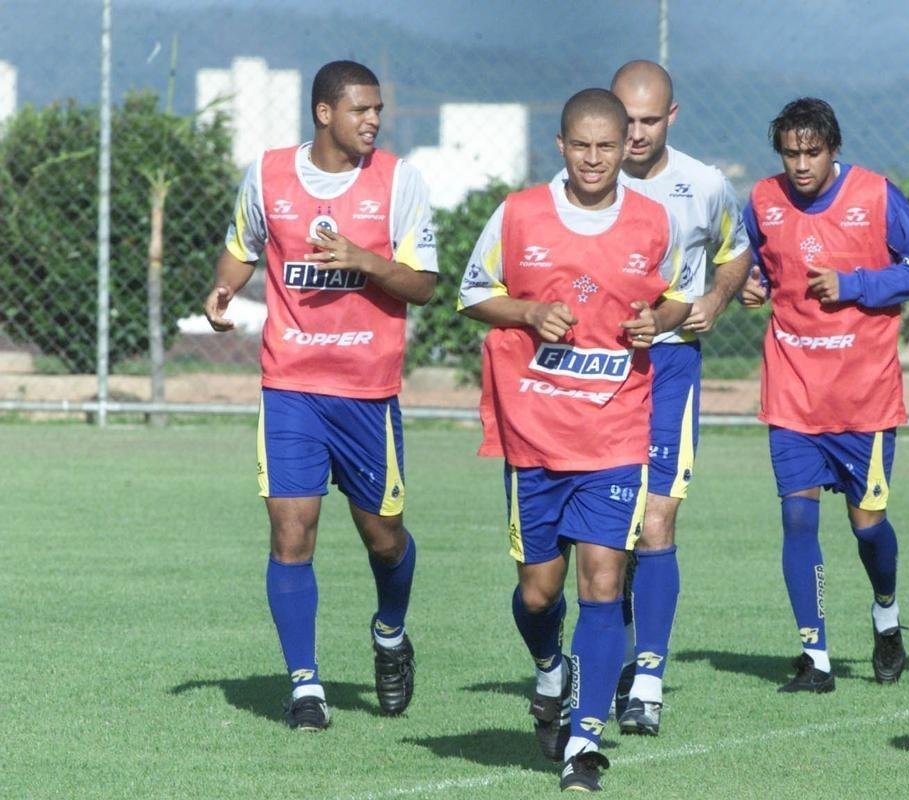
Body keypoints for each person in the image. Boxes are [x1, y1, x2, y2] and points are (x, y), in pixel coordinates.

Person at [458, 88, 688, 792]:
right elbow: (473, 293)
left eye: (607, 146)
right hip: (533, 438)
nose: (594, 158)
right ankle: (550, 670)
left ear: (629, 148)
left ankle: (583, 739)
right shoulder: (519, 213)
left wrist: (659, 321)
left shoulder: (654, 221)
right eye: (581, 145)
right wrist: (527, 310)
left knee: (604, 579)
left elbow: (680, 293)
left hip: (615, 432)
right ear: (560, 145)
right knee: (537, 593)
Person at [202, 60, 437, 731]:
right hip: (291, 387)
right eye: (361, 109)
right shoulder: (270, 174)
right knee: (290, 530)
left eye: (378, 110)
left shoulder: (399, 181)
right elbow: (241, 248)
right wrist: (222, 288)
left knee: (383, 538)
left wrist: (364, 260)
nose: (374, 121)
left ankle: (390, 634)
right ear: (324, 112)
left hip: (367, 390)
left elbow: (423, 285)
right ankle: (305, 685)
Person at [740, 97, 909, 693]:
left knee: (866, 527)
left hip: (865, 399)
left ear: (834, 150)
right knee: (798, 521)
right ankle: (816, 657)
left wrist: (855, 284)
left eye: (813, 152)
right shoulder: (761, 199)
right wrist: (750, 283)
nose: (801, 165)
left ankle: (886, 614)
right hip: (793, 394)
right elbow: (747, 262)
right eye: (791, 152)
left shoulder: (877, 196)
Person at [603, 60, 752, 737]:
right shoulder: (572, 187)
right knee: (609, 534)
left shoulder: (705, 185)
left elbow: (736, 253)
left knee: (656, 519)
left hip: (669, 369)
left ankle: (650, 680)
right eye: (623, 119)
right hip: (596, 375)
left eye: (647, 121)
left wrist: (716, 300)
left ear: (671, 117)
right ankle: (602, 658)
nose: (634, 134)